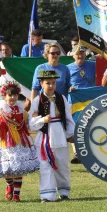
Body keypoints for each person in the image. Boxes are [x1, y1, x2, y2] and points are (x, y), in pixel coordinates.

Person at [0, 82, 39, 202]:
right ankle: (9, 185)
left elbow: (30, 124)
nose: (12, 97)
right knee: (7, 169)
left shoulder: (22, 111)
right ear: (4, 96)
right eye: (10, 95)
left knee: (19, 167)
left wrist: (39, 120)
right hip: (4, 143)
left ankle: (17, 194)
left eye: (15, 95)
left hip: (20, 142)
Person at [29, 70, 75, 203]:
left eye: (53, 83)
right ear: (41, 84)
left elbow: (68, 118)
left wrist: (70, 134)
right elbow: (31, 123)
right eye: (48, 83)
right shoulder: (37, 101)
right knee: (45, 165)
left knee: (62, 164)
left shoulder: (61, 98)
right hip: (44, 138)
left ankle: (64, 191)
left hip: (60, 135)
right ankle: (47, 195)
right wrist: (42, 120)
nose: (50, 86)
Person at [67, 45, 96, 163]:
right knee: (75, 126)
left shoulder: (93, 64)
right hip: (74, 101)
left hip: (90, 100)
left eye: (82, 52)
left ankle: (90, 151)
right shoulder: (67, 68)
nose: (80, 55)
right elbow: (64, 84)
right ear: (73, 55)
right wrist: (70, 88)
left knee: (90, 125)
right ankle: (76, 153)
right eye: (77, 53)